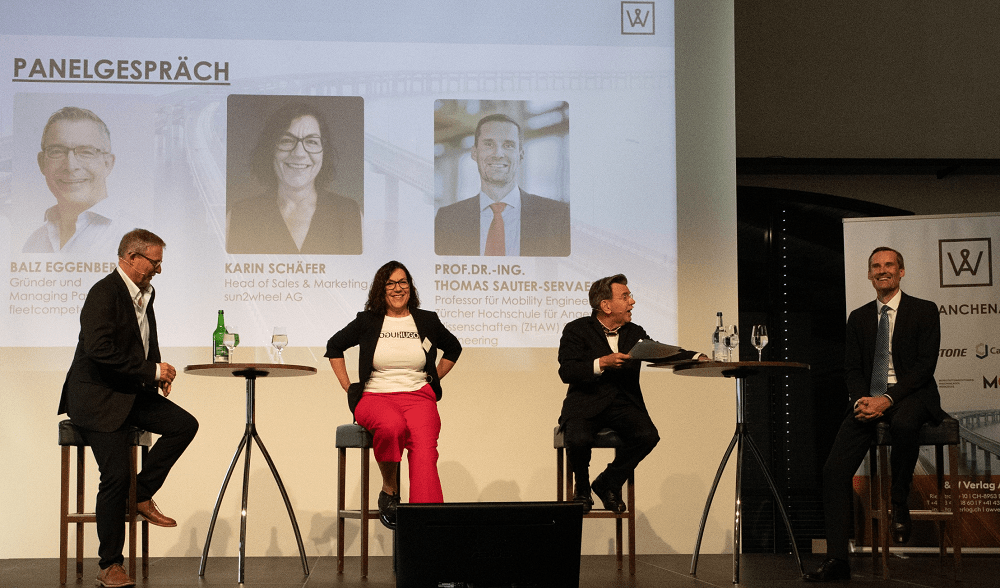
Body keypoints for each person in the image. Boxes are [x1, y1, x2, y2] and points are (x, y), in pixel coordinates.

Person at [58, 229, 199, 588]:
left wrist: (156, 375)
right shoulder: (104, 293)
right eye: (154, 262)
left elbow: (144, 340)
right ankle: (110, 565)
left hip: (130, 393)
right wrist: (150, 371)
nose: (158, 269)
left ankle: (139, 495)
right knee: (116, 476)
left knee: (184, 425)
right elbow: (99, 350)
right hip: (97, 398)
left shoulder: (145, 293)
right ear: (131, 258)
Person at [805, 247, 945, 582]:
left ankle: (899, 500)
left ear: (901, 271)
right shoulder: (859, 317)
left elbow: (924, 367)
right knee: (833, 470)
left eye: (889, 265)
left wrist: (887, 399)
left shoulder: (924, 310)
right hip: (869, 398)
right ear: (869, 274)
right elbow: (852, 368)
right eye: (876, 266)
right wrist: (862, 400)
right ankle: (837, 559)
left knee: (905, 422)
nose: (882, 271)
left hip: (910, 394)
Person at [325, 260, 462, 528]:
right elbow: (334, 346)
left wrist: (432, 379)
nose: (398, 289)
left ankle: (426, 530)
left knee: (424, 455)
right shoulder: (368, 321)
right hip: (375, 397)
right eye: (390, 284)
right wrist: (349, 386)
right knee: (391, 426)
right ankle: (389, 488)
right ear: (381, 289)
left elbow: (453, 348)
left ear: (410, 287)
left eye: (403, 282)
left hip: (419, 397)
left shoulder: (427, 320)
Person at [557, 274, 705, 514]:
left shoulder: (634, 332)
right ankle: (582, 489)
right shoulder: (577, 329)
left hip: (623, 404)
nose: (632, 302)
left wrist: (695, 356)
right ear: (606, 305)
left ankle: (608, 482)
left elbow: (659, 352)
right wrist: (602, 363)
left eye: (630, 296)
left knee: (648, 436)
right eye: (625, 297)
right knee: (579, 438)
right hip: (586, 403)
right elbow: (567, 371)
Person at [227, 100, 362, 254]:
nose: (299, 153)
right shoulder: (240, 216)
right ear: (270, 150)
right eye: (286, 141)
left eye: (311, 142)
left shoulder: (350, 214)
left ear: (324, 153)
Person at [434, 113, 570, 257]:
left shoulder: (558, 216)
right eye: (488, 144)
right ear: (474, 153)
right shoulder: (447, 219)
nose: (498, 154)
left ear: (520, 155)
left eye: (508, 145)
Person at [23, 107, 125, 254]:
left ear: (108, 164)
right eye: (57, 152)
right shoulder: (33, 243)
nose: (71, 166)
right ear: (42, 163)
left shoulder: (137, 238)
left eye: (86, 152)